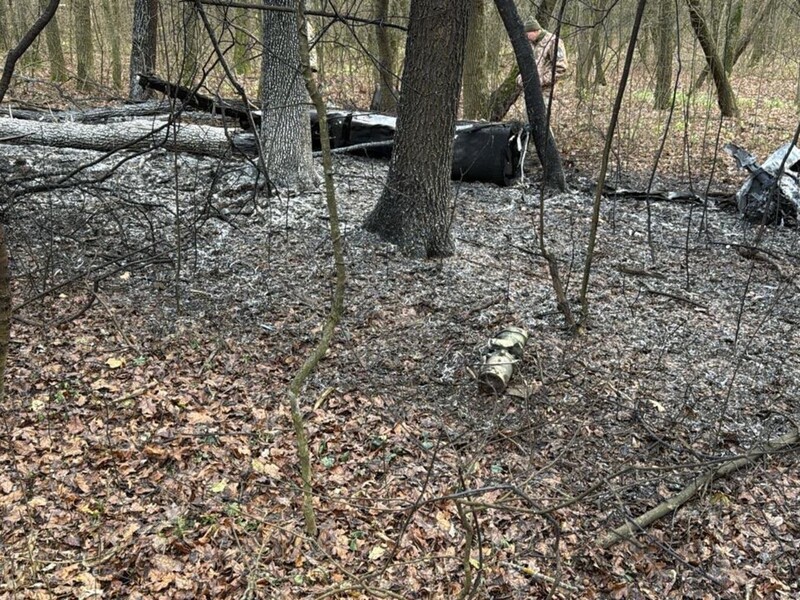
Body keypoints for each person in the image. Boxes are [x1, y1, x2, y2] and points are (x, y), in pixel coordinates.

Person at [516, 18, 568, 96]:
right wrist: (521, 79)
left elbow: (561, 68)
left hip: (546, 92)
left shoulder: (553, 41)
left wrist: (541, 80)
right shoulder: (530, 43)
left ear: (535, 31)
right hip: (530, 92)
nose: (526, 36)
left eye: (528, 33)